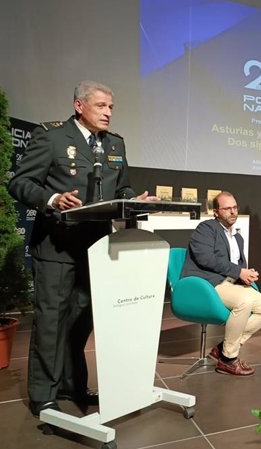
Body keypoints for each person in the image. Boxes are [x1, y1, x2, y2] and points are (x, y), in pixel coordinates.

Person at [8, 80, 159, 417]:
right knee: (52, 320)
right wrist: (51, 199)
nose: (108, 113)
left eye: (111, 107)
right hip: (57, 246)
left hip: (97, 248)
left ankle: (71, 384)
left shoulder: (115, 144)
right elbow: (19, 182)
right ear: (79, 105)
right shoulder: (52, 136)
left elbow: (123, 186)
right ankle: (43, 395)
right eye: (101, 106)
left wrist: (134, 200)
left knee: (83, 319)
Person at [182, 191, 261, 375]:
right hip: (208, 284)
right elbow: (205, 259)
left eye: (235, 208)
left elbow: (239, 266)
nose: (232, 212)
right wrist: (238, 271)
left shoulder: (237, 237)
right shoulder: (206, 229)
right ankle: (229, 359)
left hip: (231, 284)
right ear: (216, 212)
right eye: (227, 208)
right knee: (244, 302)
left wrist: (246, 275)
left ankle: (224, 349)